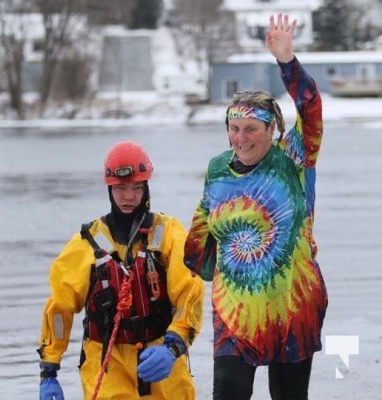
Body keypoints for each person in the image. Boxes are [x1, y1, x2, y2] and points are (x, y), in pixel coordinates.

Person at [183, 13, 328, 400]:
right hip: (235, 312)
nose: (241, 137)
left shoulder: (293, 158)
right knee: (228, 392)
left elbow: (311, 110)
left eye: (251, 129)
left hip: (292, 306)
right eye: (234, 127)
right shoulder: (217, 169)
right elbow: (201, 233)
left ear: (271, 130)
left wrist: (287, 63)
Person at [37, 141, 204, 400]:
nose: (129, 197)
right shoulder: (87, 243)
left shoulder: (168, 233)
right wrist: (49, 370)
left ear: (146, 188)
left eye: (137, 188)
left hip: (161, 354)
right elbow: (60, 308)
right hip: (106, 361)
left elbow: (189, 294)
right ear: (109, 189)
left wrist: (174, 346)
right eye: (121, 189)